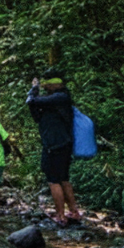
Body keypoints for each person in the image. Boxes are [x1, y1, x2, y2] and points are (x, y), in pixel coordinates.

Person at [27, 74, 81, 225]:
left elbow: (32, 100)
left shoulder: (61, 97)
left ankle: (61, 215)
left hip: (55, 144)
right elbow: (36, 115)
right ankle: (73, 211)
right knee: (63, 178)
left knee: (53, 180)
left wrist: (33, 89)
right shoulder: (56, 101)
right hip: (62, 143)